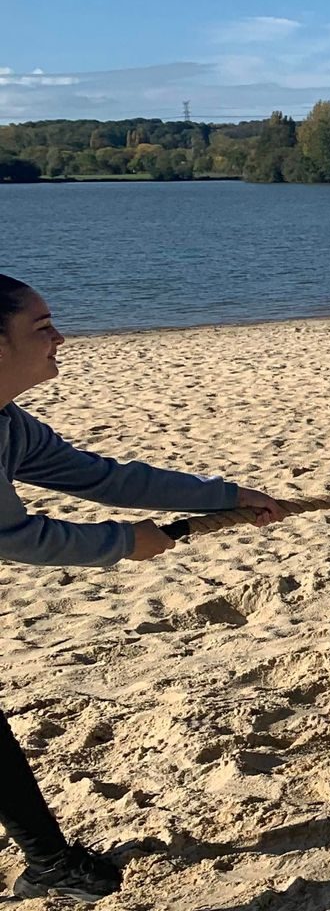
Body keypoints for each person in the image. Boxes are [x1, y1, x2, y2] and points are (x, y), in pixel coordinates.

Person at [0, 275, 284, 903]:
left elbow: (101, 479)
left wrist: (224, 497)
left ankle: (48, 862)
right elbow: (15, 536)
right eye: (42, 327)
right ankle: (48, 861)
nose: (60, 337)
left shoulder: (9, 424)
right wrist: (125, 545)